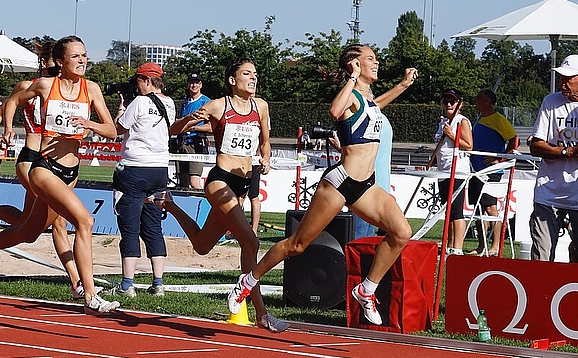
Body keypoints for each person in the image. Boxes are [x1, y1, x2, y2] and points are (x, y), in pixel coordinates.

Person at [227, 45, 417, 326]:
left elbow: (376, 107)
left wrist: (402, 85)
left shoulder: (368, 99)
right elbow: (334, 110)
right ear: (355, 64)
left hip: (365, 186)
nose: (377, 63)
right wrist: (351, 78)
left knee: (401, 232)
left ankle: (366, 290)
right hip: (340, 184)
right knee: (297, 245)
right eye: (370, 59)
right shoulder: (351, 94)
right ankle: (248, 281)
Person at [0, 36, 120, 313]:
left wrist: (89, 124)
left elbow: (112, 130)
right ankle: (89, 295)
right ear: (61, 62)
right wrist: (4, 130)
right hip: (42, 167)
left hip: (70, 171)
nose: (83, 60)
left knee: (29, 231)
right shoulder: (45, 86)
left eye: (84, 55)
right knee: (84, 221)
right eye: (76, 56)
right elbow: (10, 103)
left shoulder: (92, 89)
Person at [149, 58, 287, 333]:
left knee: (203, 244)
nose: (253, 78)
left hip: (242, 185)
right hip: (219, 180)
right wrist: (191, 119)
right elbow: (173, 130)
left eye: (255, 73)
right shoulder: (217, 105)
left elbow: (266, 141)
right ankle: (260, 311)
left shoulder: (261, 106)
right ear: (232, 80)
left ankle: (170, 204)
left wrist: (266, 158)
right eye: (246, 73)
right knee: (250, 241)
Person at [0, 40, 83, 298]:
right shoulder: (29, 86)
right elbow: (3, 108)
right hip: (30, 160)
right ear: (46, 63)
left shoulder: (65, 89)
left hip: (54, 163)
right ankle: (78, 284)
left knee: (28, 228)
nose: (57, 73)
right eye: (53, 67)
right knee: (56, 223)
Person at [108, 62, 176, 297]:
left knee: (129, 226)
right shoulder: (169, 103)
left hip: (135, 168)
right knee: (153, 226)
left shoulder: (139, 102)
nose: (136, 86)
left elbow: (119, 128)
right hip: (159, 169)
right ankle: (158, 283)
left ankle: (128, 283)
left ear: (147, 81)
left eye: (138, 81)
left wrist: (121, 109)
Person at [528, 54, 578, 262]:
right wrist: (566, 153)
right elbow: (535, 145)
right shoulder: (551, 101)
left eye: (568, 78)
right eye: (561, 78)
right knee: (542, 257)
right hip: (548, 193)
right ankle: (538, 294)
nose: (562, 83)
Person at [467, 88, 518, 256]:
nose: (475, 101)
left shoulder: (498, 120)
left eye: (478, 98)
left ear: (487, 101)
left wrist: (501, 159)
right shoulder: (480, 119)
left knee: (491, 209)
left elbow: (513, 139)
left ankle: (496, 246)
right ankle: (482, 245)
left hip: (491, 171)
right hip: (475, 170)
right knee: (479, 210)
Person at [432, 89, 473, 255]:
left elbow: (469, 145)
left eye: (452, 102)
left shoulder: (461, 121)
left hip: (457, 171)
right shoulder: (442, 122)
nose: (449, 104)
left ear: (459, 104)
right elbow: (441, 147)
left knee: (456, 211)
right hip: (442, 171)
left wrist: (452, 134)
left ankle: (458, 248)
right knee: (446, 210)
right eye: (446, 101)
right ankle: (448, 244)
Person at [353, 115, 393, 239]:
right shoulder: (383, 120)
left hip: (366, 186)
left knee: (358, 237)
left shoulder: (368, 120)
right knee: (367, 239)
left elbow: (361, 154)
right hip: (380, 185)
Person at [175, 73, 211, 189]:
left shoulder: (206, 102)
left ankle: (204, 205)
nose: (194, 85)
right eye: (191, 82)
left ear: (200, 85)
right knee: (183, 181)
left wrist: (193, 128)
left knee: (194, 181)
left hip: (196, 144)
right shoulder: (185, 103)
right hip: (182, 144)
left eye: (196, 82)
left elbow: (211, 127)